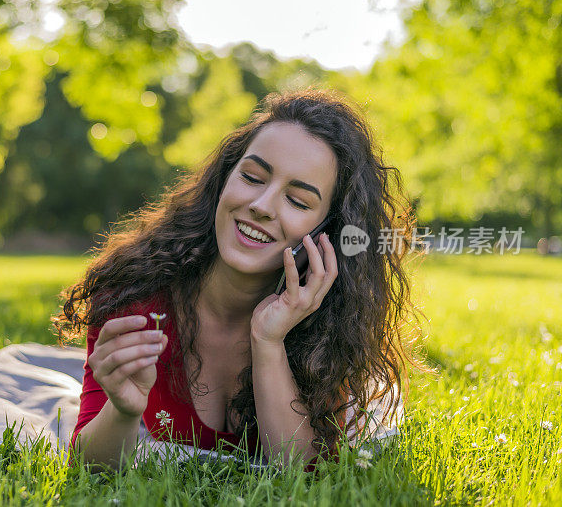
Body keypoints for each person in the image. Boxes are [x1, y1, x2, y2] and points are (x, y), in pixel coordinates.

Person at [51, 88, 430, 472]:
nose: (262, 206)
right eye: (252, 177)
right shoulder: (134, 292)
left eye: (298, 201)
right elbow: (90, 470)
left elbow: (305, 474)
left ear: (327, 233)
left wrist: (268, 341)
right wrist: (122, 411)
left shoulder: (331, 327)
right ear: (225, 178)